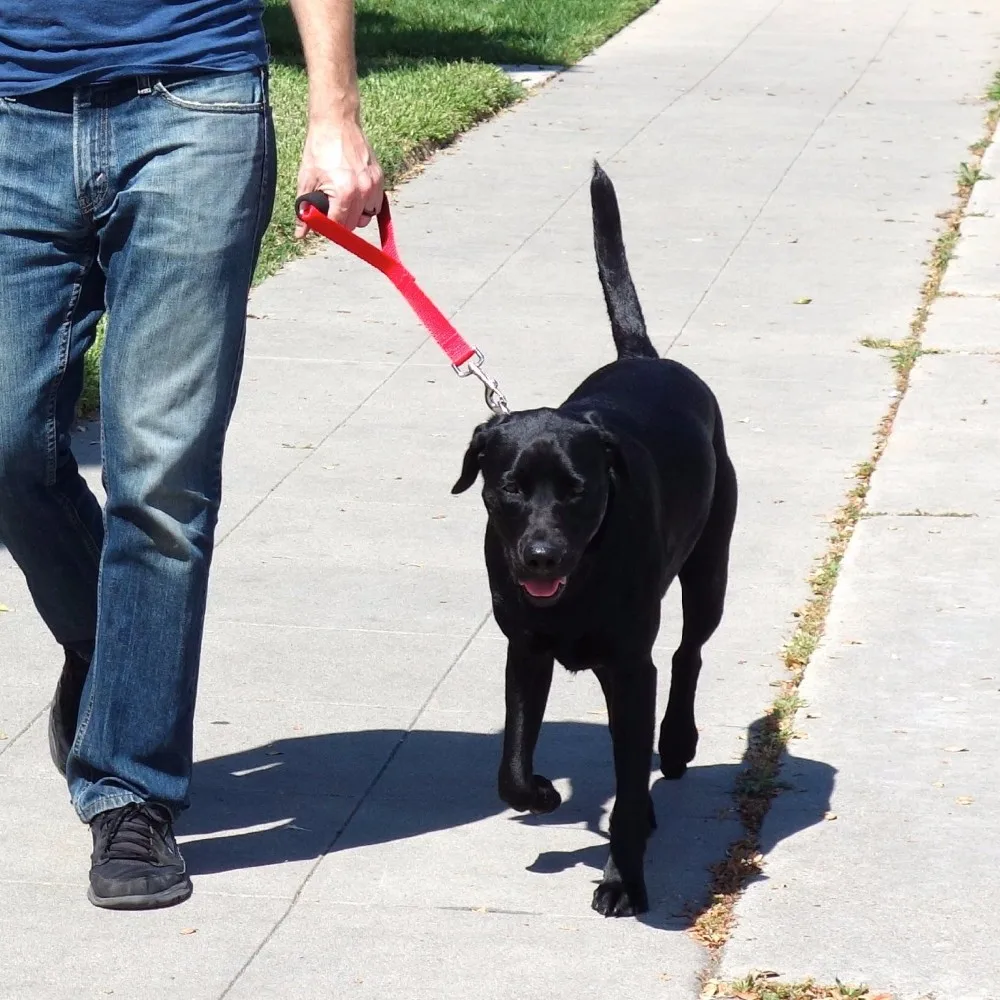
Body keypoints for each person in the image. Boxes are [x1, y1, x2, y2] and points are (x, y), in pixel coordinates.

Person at [0, 1, 383, 910]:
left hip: (196, 100)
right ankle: (109, 647)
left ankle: (129, 791)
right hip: (12, 103)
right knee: (9, 443)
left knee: (161, 475)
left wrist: (335, 114)